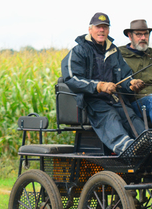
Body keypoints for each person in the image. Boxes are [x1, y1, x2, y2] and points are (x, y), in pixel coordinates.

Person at [61, 12, 147, 154]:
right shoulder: (79, 51)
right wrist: (99, 86)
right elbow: (71, 78)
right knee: (109, 115)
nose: (102, 30)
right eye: (98, 27)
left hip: (115, 98)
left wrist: (132, 84)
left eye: (105, 27)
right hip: (92, 100)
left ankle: (146, 144)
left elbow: (125, 76)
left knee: (130, 116)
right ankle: (128, 148)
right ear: (90, 29)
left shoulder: (114, 51)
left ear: (108, 30)